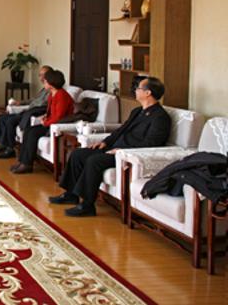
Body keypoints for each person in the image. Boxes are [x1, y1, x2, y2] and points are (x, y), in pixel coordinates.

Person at [49, 76, 171, 217]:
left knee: (94, 161)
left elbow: (152, 143)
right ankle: (71, 194)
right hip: (115, 148)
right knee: (78, 154)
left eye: (138, 88)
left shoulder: (160, 117)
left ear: (148, 93)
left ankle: (87, 205)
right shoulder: (137, 111)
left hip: (128, 155)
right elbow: (120, 130)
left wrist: (122, 151)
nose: (135, 91)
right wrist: (105, 142)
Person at [10, 69, 74, 174]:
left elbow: (59, 117)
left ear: (51, 83)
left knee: (33, 133)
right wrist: (45, 117)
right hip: (50, 123)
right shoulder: (52, 94)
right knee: (28, 130)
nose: (44, 83)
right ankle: (22, 161)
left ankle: (27, 164)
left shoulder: (61, 95)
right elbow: (50, 113)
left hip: (58, 126)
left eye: (45, 81)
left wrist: (46, 122)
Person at [0, 65, 53, 158]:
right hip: (28, 111)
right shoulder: (43, 89)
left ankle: (10, 149)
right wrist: (20, 102)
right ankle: (2, 144)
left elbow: (42, 104)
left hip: (34, 114)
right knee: (3, 118)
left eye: (44, 75)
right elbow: (33, 100)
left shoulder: (51, 90)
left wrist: (28, 107)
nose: (41, 77)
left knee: (10, 121)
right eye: (40, 75)